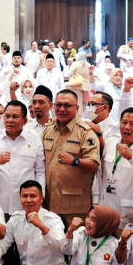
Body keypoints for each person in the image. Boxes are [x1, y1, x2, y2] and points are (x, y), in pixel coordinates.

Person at [42, 90, 101, 226]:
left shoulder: (85, 132)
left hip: (74, 205)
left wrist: (75, 161)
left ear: (77, 108)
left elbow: (94, 165)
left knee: (75, 244)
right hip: (49, 201)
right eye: (58, 105)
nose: (62, 109)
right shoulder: (48, 130)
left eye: (67, 106)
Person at [0, 101, 45, 215]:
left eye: (15, 117)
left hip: (25, 204)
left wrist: (40, 197)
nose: (10, 120)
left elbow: (40, 171)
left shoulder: (34, 139)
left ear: (24, 121)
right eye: (7, 116)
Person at [99, 108, 133, 219]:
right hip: (106, 205)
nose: (127, 127)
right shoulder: (111, 142)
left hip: (129, 211)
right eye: (124, 122)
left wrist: (131, 157)